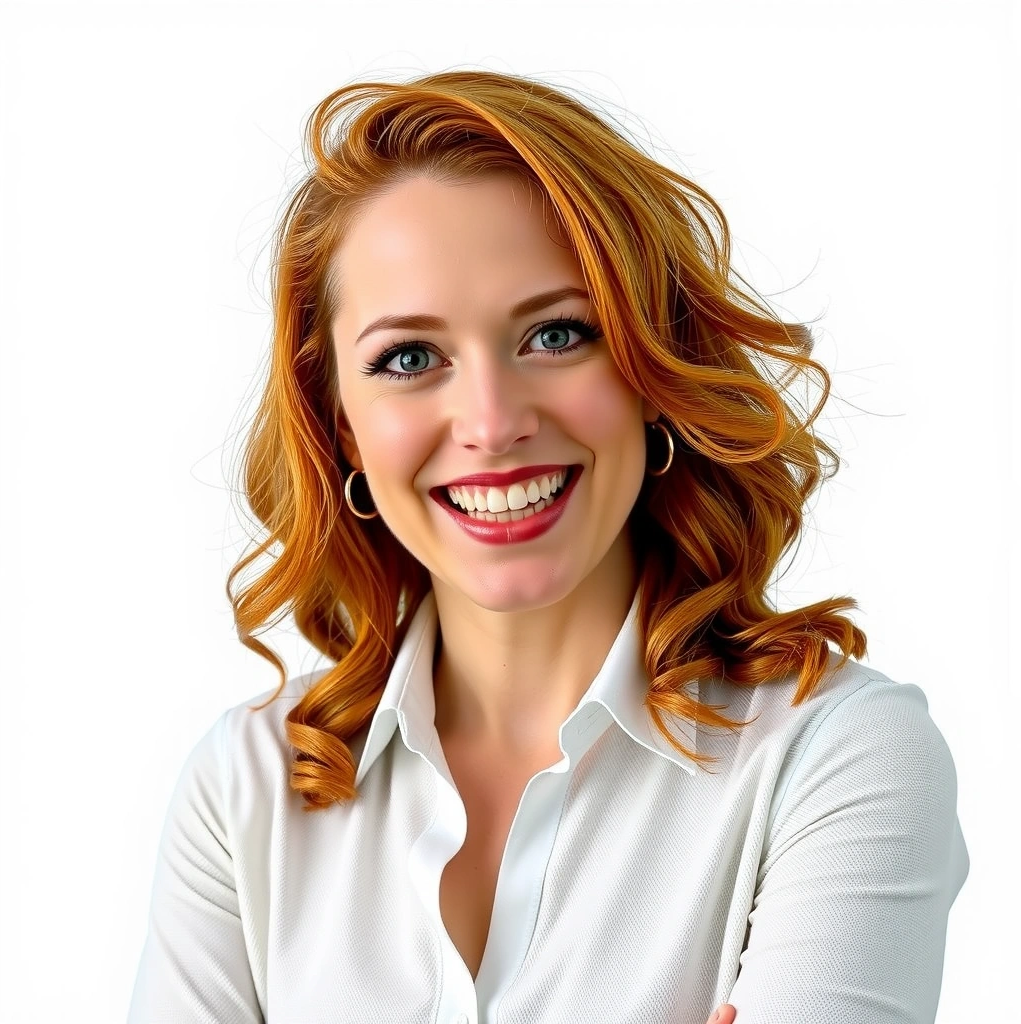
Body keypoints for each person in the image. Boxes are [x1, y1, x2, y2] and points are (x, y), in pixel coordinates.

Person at [127, 69, 969, 1023]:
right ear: (343, 429)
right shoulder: (246, 789)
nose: (490, 421)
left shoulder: (837, 756)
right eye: (409, 359)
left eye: (558, 334)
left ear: (652, 371)